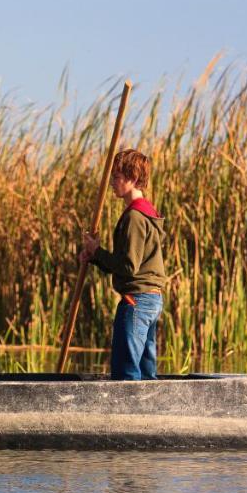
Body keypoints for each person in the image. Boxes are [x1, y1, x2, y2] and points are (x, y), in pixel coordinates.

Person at [78, 148, 167, 380]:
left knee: (126, 371)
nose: (111, 183)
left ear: (133, 179)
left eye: (116, 177)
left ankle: (129, 415)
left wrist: (97, 250)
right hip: (150, 298)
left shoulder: (135, 217)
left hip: (137, 300)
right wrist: (96, 256)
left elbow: (128, 266)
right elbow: (128, 262)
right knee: (146, 372)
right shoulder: (146, 213)